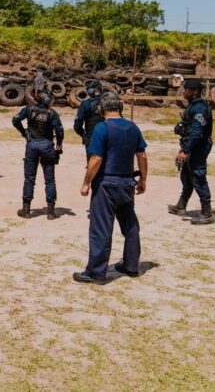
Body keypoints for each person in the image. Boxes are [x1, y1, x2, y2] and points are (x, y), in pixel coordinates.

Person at [74, 92, 148, 284]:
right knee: (130, 225)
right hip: (127, 183)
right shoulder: (133, 127)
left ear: (101, 109)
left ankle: (95, 272)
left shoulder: (102, 128)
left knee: (101, 228)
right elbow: (142, 155)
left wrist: (86, 182)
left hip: (106, 184)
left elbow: (96, 158)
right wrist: (143, 179)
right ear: (120, 107)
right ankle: (131, 265)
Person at [169, 80, 215, 225]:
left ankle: (207, 213)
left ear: (195, 92)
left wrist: (186, 150)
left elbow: (196, 133)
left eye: (187, 90)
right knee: (186, 176)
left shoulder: (200, 108)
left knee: (198, 177)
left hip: (198, 147)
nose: (184, 92)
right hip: (191, 145)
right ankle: (181, 206)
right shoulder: (193, 106)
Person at [12, 91, 64, 219]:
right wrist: (59, 143)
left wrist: (24, 132)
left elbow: (15, 120)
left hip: (32, 146)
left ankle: (26, 210)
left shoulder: (29, 109)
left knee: (29, 178)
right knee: (50, 180)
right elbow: (59, 131)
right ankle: (51, 212)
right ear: (47, 101)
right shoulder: (52, 113)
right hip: (47, 147)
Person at [74, 81, 105, 159]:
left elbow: (77, 125)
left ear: (90, 91)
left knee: (93, 163)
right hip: (108, 139)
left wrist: (83, 135)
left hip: (92, 139)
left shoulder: (85, 104)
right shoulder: (109, 103)